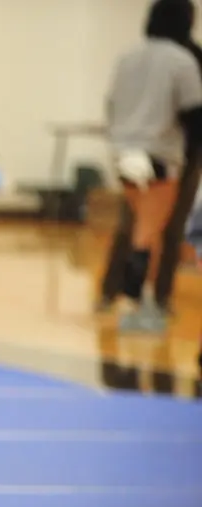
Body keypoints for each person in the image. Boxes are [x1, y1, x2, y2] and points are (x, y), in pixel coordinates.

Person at [104, 0, 202, 332]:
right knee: (150, 234)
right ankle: (136, 305)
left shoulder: (127, 57)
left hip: (124, 153)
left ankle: (123, 297)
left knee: (136, 229)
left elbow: (111, 105)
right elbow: (193, 115)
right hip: (160, 154)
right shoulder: (183, 61)